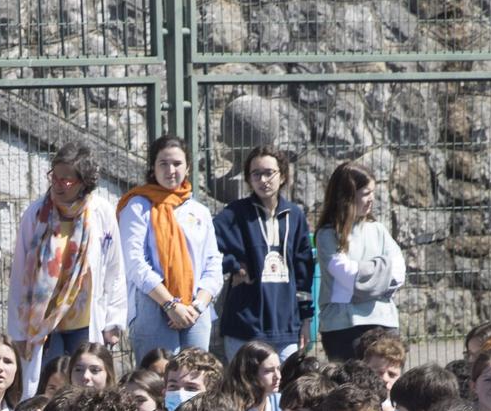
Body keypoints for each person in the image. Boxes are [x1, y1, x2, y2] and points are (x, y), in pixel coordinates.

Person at [10, 142, 128, 392]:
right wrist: (18, 331)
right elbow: (20, 273)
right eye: (55, 177)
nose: (58, 184)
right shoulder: (36, 214)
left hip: (86, 321)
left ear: (83, 182)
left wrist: (114, 321)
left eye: (67, 180)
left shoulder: (101, 212)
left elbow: (114, 270)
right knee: (48, 387)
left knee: (86, 387)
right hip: (43, 324)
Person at [118, 134, 221, 356]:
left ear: (188, 167)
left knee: (196, 383)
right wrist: (171, 305)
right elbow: (135, 262)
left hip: (196, 311)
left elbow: (213, 263)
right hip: (152, 307)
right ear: (152, 167)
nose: (170, 170)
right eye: (163, 163)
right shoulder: (138, 206)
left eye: (177, 163)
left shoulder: (199, 211)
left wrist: (196, 306)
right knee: (155, 382)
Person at [213, 146, 314, 360]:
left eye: (269, 173)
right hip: (245, 326)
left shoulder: (295, 216)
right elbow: (207, 247)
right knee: (245, 392)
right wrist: (234, 266)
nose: (263, 180)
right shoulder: (235, 213)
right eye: (256, 174)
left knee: (286, 391)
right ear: (249, 180)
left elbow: (304, 271)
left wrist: (305, 320)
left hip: (286, 327)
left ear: (283, 175)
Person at [312, 162, 405, 363]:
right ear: (347, 196)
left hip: (384, 321)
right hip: (343, 328)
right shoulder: (327, 235)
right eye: (365, 193)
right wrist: (382, 270)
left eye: (372, 192)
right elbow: (348, 276)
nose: (371, 198)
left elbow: (398, 273)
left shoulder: (378, 230)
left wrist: (354, 289)